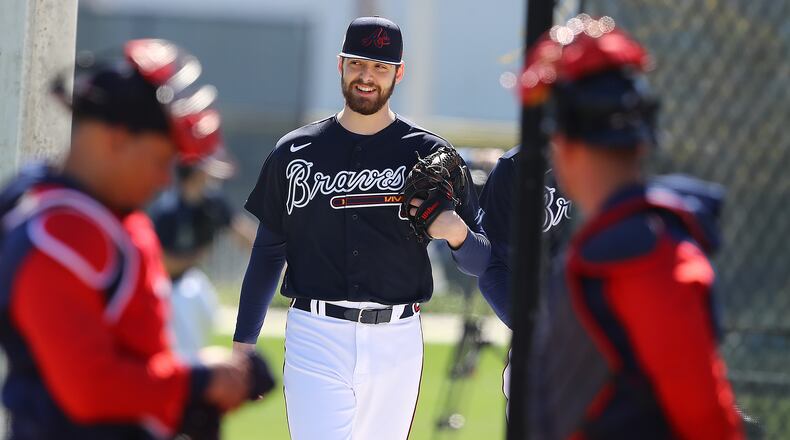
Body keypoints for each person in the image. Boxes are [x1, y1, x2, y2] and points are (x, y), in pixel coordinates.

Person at [232, 16, 490, 440]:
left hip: (398, 339)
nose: (366, 77)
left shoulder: (430, 154)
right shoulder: (295, 151)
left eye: (380, 67)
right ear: (340, 65)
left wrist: (457, 232)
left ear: (398, 73)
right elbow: (268, 251)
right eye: (357, 64)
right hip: (316, 333)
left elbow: (481, 261)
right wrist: (245, 340)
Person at [0, 39, 272, 439]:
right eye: (162, 160)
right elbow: (89, 389)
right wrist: (201, 381)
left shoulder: (100, 214)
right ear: (117, 139)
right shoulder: (60, 233)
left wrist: (189, 402)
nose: (165, 179)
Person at [518, 15, 743, 439]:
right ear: (642, 141)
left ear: (562, 147)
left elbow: (706, 421)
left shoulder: (638, 252)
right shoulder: (624, 240)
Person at [149, 159, 256, 361]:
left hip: (190, 280)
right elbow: (162, 263)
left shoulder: (212, 202)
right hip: (165, 287)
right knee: (183, 346)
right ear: (196, 173)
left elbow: (243, 233)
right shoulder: (168, 210)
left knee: (205, 308)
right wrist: (197, 255)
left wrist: (274, 260)